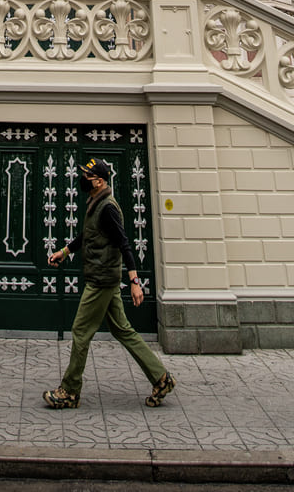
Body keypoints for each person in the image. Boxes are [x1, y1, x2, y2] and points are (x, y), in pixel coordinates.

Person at [43, 159, 175, 410]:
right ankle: (161, 378)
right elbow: (88, 234)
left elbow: (125, 243)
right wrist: (66, 250)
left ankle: (69, 391)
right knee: (123, 330)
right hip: (105, 277)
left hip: (101, 280)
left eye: (87, 175)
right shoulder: (96, 202)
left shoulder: (108, 208)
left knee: (81, 332)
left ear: (100, 181)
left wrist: (135, 281)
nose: (83, 179)